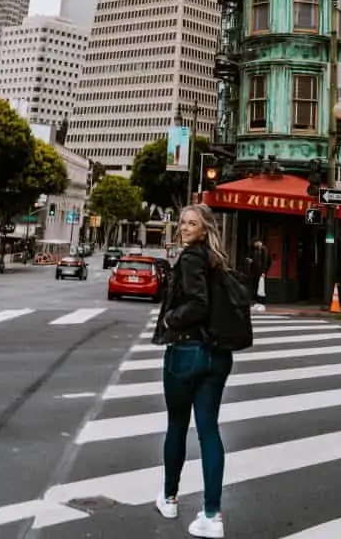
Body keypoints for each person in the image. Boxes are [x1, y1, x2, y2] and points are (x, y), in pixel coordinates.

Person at [152, 203, 233, 539]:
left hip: (187, 351)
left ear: (205, 229)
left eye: (192, 223)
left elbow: (198, 304)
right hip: (218, 355)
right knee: (209, 431)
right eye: (183, 222)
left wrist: (171, 319)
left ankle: (169, 497)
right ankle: (212, 515)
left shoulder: (190, 258)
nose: (184, 228)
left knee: (176, 425)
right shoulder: (218, 262)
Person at [246, 239, 271, 311]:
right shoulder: (256, 250)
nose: (255, 245)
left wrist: (263, 272)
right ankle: (257, 302)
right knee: (257, 287)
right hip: (256, 271)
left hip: (261, 272)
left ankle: (262, 303)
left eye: (255, 244)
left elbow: (266, 261)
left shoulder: (264, 249)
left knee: (261, 288)